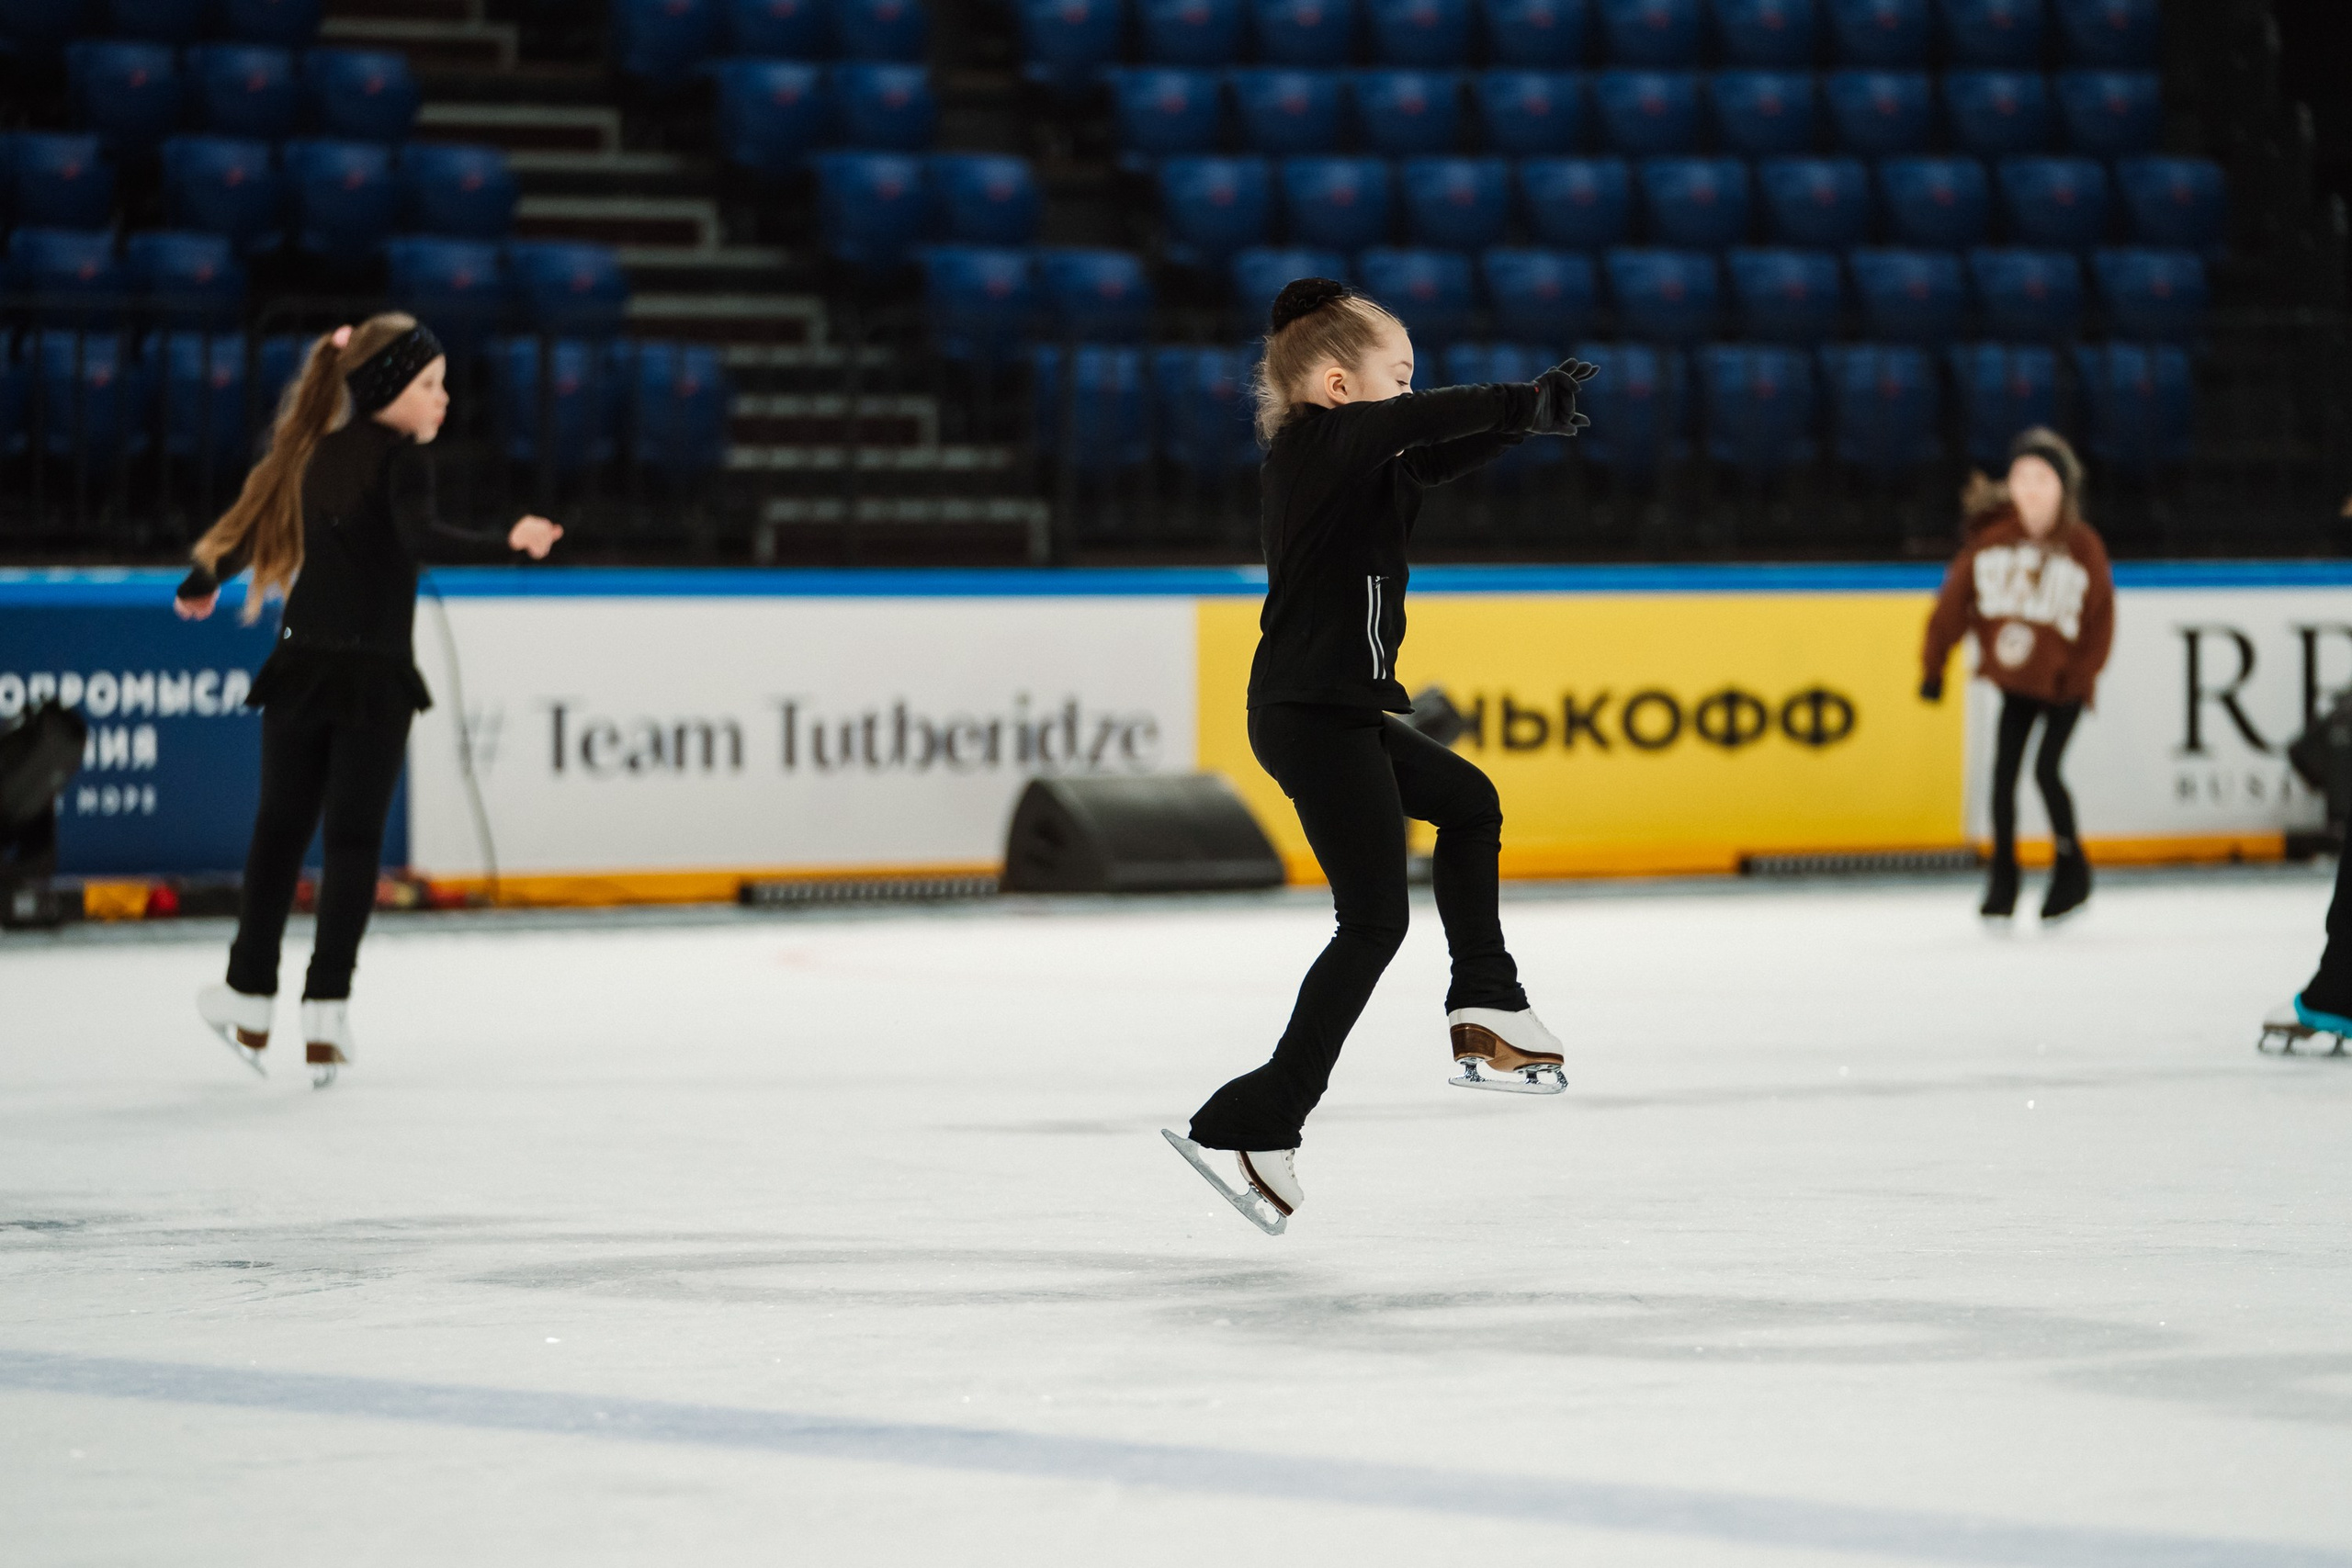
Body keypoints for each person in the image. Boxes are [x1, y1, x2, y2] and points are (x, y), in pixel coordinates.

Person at [1162, 278, 1596, 1234]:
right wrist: (1516, 399)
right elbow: (1419, 430)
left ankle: (1485, 1002)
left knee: (1468, 801)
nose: (1408, 396)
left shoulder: (1360, 461)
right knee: (1371, 923)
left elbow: (1428, 460)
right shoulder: (1315, 448)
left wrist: (1520, 427)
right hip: (1311, 714)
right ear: (1332, 385)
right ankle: (1260, 1116)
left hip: (1336, 708)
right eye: (1396, 381)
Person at [175, 314, 562, 1086]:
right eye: (429, 385)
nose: (443, 399)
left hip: (302, 664)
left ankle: (249, 993)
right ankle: (326, 1011)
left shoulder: (316, 450)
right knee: (351, 843)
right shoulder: (403, 459)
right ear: (389, 390)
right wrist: (509, 542)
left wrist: (205, 577)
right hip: (372, 675)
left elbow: (263, 529)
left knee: (279, 831)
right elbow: (420, 539)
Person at [1919, 428, 2114, 922]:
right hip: (2018, 684)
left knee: (2047, 771)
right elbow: (1952, 605)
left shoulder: (2082, 547)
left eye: (2042, 477)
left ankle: (2071, 869)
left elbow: (2100, 619)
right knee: (2003, 779)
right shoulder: (1991, 542)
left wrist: (2081, 675)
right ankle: (2003, 877)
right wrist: (1934, 665)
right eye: (2022, 476)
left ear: (2062, 487)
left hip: (2067, 684)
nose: (2030, 488)